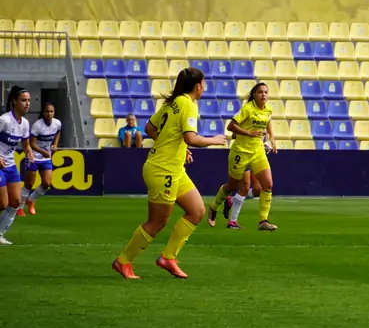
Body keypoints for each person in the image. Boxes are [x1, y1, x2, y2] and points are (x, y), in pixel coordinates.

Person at [111, 67, 226, 279]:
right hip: (163, 170)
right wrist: (214, 140)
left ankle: (168, 258)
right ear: (198, 86)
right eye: (204, 83)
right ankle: (123, 261)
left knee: (196, 210)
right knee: (157, 222)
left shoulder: (171, 102)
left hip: (174, 169)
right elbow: (191, 137)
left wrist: (178, 148)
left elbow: (150, 128)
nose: (204, 87)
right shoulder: (188, 105)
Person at [207, 82, 278, 231]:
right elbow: (231, 126)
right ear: (254, 94)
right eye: (260, 92)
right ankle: (214, 207)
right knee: (232, 186)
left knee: (268, 185)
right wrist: (249, 133)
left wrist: (272, 139)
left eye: (266, 92)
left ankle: (263, 221)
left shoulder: (268, 109)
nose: (263, 95)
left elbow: (268, 121)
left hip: (257, 152)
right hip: (240, 152)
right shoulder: (247, 109)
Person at [0, 87, 32, 245]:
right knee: (2, 203)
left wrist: (29, 152)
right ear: (14, 101)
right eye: (23, 100)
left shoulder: (25, 123)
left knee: (16, 201)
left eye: (28, 100)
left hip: (10, 165)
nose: (27, 103)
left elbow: (25, 144)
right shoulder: (4, 120)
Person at [19, 102, 62, 216]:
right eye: (47, 111)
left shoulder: (57, 123)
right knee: (29, 183)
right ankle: (20, 207)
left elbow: (58, 132)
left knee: (47, 183)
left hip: (45, 158)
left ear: (54, 113)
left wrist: (55, 144)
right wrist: (43, 152)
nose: (49, 114)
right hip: (33, 156)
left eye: (51, 111)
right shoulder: (37, 125)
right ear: (43, 113)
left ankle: (31, 200)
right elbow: (31, 144)